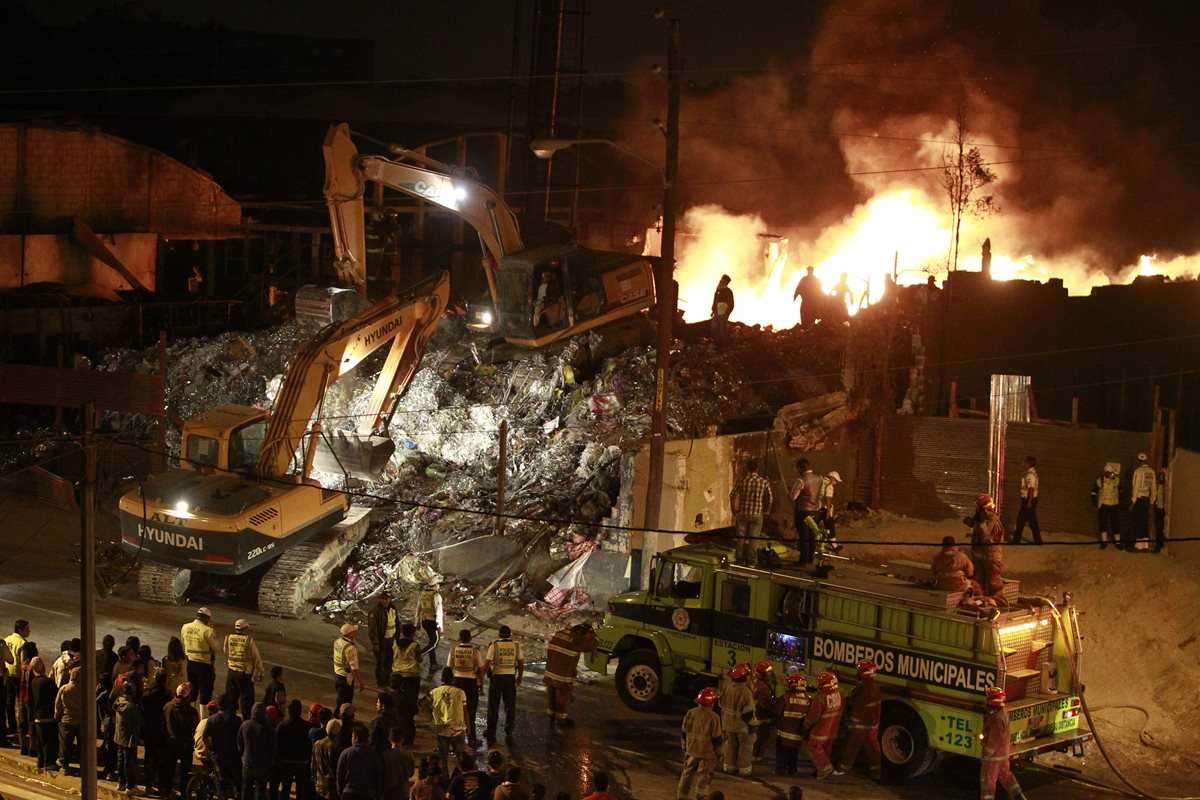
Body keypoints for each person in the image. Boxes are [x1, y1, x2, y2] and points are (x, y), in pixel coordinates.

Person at [543, 623, 598, 731]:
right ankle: (562, 720)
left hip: (550, 672)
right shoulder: (576, 640)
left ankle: (551, 716)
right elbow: (589, 646)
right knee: (563, 698)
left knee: (551, 695)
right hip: (563, 676)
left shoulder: (559, 634)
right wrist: (596, 638)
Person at [837, 660, 882, 780]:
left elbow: (859, 706)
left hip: (861, 724)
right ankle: (876, 771)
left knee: (851, 746)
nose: (857, 672)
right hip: (872, 724)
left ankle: (843, 769)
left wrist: (852, 722)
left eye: (859, 670)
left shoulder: (864, 687)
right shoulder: (874, 686)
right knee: (873, 748)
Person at [980, 687, 1027, 800]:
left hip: (993, 758)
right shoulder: (1002, 713)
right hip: (1003, 756)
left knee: (988, 781)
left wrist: (986, 755)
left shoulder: (996, 718)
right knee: (1006, 777)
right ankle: (1019, 797)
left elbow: (994, 740)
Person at [677, 687, 722, 800]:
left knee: (687, 774)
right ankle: (701, 797)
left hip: (691, 750)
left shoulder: (690, 713)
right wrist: (720, 753)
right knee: (704, 776)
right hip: (707, 754)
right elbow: (717, 738)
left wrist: (684, 745)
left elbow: (684, 731)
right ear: (712, 702)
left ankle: (681, 796)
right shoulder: (714, 717)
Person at [483, 625, 523, 746]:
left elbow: (487, 663)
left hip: (497, 679)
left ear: (499, 635)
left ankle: (491, 731)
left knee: (493, 706)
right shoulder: (516, 645)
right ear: (510, 635)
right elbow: (521, 663)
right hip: (510, 679)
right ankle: (509, 730)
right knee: (510, 705)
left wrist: (480, 677)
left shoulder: (494, 645)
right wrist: (520, 677)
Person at [730, 460, 773, 566]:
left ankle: (739, 560)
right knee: (753, 539)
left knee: (741, 538)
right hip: (757, 514)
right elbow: (770, 498)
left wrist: (733, 509)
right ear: (757, 469)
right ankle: (752, 561)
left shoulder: (742, 480)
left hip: (743, 513)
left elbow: (732, 495)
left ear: (747, 468)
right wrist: (767, 511)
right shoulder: (763, 482)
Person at [804, 670, 844, 780]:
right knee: (826, 751)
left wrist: (805, 725)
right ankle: (822, 772)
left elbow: (813, 716)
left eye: (820, 684)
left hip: (820, 731)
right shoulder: (840, 695)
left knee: (813, 747)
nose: (819, 686)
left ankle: (825, 768)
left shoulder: (820, 698)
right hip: (832, 730)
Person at [391, 623, 425, 746]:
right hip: (412, 677)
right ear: (413, 633)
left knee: (397, 705)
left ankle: (397, 734)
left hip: (397, 675)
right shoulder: (415, 645)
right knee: (410, 707)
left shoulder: (395, 643)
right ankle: (409, 737)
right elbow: (420, 659)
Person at [450, 629, 485, 746]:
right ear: (470, 638)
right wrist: (481, 684)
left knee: (456, 710)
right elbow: (481, 669)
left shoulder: (453, 650)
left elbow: (449, 668)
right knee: (471, 711)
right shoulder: (475, 652)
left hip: (457, 682)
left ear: (460, 639)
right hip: (471, 683)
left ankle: (454, 737)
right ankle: (471, 738)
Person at [225, 618, 265, 718]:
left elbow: (226, 651)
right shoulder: (248, 641)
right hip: (244, 674)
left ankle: (231, 719)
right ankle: (246, 721)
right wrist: (261, 672)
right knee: (247, 700)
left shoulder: (228, 638)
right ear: (246, 628)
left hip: (231, 672)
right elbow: (257, 658)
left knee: (231, 698)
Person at [720, 663, 755, 777]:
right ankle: (744, 770)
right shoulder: (746, 692)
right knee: (745, 747)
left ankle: (728, 767)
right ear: (745, 677)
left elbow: (721, 705)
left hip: (727, 724)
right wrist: (752, 726)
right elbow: (748, 712)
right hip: (741, 726)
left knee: (730, 745)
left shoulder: (727, 688)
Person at [164, 682, 200, 795]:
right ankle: (183, 790)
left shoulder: (167, 707)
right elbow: (196, 727)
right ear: (187, 696)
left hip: (170, 742)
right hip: (185, 745)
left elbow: (162, 724)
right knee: (185, 770)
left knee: (169, 768)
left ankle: (167, 789)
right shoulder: (191, 711)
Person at [140, 669, 172, 795]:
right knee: (162, 760)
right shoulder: (167, 695)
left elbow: (143, 713)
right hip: (162, 731)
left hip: (149, 730)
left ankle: (148, 784)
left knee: (149, 759)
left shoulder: (147, 695)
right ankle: (162, 786)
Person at [276, 699, 314, 800]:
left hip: (286, 762)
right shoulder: (308, 726)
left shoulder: (282, 726)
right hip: (302, 763)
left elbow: (277, 746)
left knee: (285, 789)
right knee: (301, 790)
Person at [969, 494, 1005, 598]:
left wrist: (980, 524)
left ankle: (999, 601)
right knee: (978, 581)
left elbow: (987, 537)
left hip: (991, 556)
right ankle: (981, 600)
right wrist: (973, 524)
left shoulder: (992, 518)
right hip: (980, 555)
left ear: (984, 506)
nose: (977, 508)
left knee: (994, 582)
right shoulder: (983, 518)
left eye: (978, 505)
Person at [238, 702, 276, 800]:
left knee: (246, 789)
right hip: (262, 765)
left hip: (247, 763)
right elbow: (272, 747)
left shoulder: (245, 725)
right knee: (260, 790)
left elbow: (240, 744)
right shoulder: (268, 728)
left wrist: (243, 755)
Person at [773, 673, 810, 775]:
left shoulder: (785, 698)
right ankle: (792, 770)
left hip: (784, 734)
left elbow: (776, 712)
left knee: (782, 753)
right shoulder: (808, 700)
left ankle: (780, 770)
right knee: (793, 753)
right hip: (797, 735)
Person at [182, 607, 219, 705]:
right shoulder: (208, 631)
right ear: (207, 618)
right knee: (205, 694)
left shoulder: (185, 627)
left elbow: (184, 642)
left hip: (190, 663)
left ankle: (191, 714)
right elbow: (216, 648)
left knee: (192, 691)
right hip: (204, 665)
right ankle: (203, 718)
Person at [790, 459, 823, 566]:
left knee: (804, 536)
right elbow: (820, 495)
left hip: (803, 512)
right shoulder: (819, 478)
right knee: (812, 535)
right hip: (816, 511)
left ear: (800, 468)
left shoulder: (801, 480)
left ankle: (803, 560)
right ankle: (810, 559)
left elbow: (793, 496)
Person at [113, 681, 144, 792]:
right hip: (130, 738)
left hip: (119, 736)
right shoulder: (131, 707)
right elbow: (141, 721)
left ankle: (121, 782)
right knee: (129, 763)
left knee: (121, 760)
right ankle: (130, 786)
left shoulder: (118, 702)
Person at [337, 724, 381, 800]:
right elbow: (377, 775)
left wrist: (341, 792)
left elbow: (339, 775)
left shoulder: (346, 753)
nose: (351, 739)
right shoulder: (373, 754)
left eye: (352, 736)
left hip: (349, 793)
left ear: (356, 738)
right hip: (367, 794)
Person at [3, 619, 29, 743]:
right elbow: (23, 660)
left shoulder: (7, 639)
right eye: (27, 629)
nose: (29, 631)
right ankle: (21, 726)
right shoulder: (22, 643)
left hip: (7, 674)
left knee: (9, 701)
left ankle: (12, 725)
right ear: (20, 630)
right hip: (18, 675)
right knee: (21, 702)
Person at [54, 666, 84, 775]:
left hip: (67, 719)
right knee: (83, 745)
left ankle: (65, 766)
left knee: (65, 745)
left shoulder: (64, 689)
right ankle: (83, 766)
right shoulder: (85, 689)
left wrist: (57, 718)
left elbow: (58, 706)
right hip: (81, 720)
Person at [30, 656, 58, 772]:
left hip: (37, 716)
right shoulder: (47, 682)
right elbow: (55, 695)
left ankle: (40, 763)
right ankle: (49, 763)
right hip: (48, 716)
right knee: (49, 742)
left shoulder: (33, 682)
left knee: (41, 743)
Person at [369, 591, 399, 689]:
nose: (385, 601)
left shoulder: (392, 608)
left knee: (389, 661)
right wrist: (375, 642)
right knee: (380, 661)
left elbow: (396, 622)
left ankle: (387, 680)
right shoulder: (375, 611)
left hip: (391, 639)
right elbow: (373, 629)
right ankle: (380, 682)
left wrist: (397, 636)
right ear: (379, 599)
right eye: (383, 599)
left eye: (387, 599)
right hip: (381, 640)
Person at [415, 582, 445, 676]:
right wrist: (439, 625)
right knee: (434, 643)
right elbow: (438, 611)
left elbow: (418, 609)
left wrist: (417, 622)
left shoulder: (423, 594)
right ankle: (420, 654)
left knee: (431, 642)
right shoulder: (436, 595)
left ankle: (433, 663)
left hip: (425, 621)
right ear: (435, 585)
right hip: (433, 622)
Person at [333, 624, 364, 712]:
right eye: (354, 631)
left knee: (341, 700)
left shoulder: (337, 641)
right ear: (350, 634)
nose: (356, 632)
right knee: (344, 703)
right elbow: (355, 667)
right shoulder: (350, 648)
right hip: (345, 678)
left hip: (337, 675)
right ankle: (337, 719)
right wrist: (360, 681)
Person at [379, 725, 415, 800]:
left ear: (389, 739)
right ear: (402, 739)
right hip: (403, 791)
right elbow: (411, 773)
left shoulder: (384, 755)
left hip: (387, 792)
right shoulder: (409, 755)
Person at [1012, 456, 1042, 545]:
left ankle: (1016, 541)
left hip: (1029, 500)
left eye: (1024, 462)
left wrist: (1029, 502)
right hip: (1030, 500)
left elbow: (1031, 489)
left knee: (1021, 520)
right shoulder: (1030, 474)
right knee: (1032, 521)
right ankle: (1038, 541)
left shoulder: (1030, 475)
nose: (1023, 464)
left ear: (1028, 463)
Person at [311, 719, 343, 800]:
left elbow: (313, 765)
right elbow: (337, 770)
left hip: (319, 785)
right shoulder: (336, 747)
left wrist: (315, 780)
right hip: (331, 788)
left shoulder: (317, 744)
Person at [751, 660, 776, 761]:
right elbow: (766, 704)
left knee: (756, 736)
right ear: (762, 674)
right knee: (761, 737)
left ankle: (754, 755)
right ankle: (756, 756)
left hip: (754, 714)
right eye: (768, 672)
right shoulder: (763, 687)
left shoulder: (754, 682)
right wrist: (774, 710)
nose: (770, 674)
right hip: (762, 716)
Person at [1130, 452, 1156, 551]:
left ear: (1138, 461)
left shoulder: (1138, 471)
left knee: (1138, 521)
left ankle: (1138, 545)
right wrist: (1152, 500)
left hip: (1139, 500)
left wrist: (1133, 501)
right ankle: (1145, 544)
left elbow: (1135, 487)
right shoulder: (1151, 472)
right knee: (1145, 521)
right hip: (1147, 500)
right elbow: (1153, 488)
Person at [1093, 463, 1121, 550]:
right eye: (1109, 473)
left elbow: (1122, 490)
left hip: (1114, 504)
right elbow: (1093, 492)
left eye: (1112, 473)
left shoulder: (1116, 480)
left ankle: (1118, 542)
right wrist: (1095, 504)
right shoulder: (1100, 481)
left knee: (1115, 523)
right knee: (1103, 523)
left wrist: (1121, 501)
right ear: (1105, 472)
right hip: (1103, 504)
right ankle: (1104, 542)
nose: (1111, 474)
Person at [818, 471, 842, 549]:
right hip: (824, 509)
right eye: (835, 480)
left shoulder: (821, 482)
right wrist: (828, 511)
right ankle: (833, 545)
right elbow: (828, 498)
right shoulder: (829, 486)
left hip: (817, 508)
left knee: (814, 526)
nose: (835, 483)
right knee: (830, 526)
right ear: (831, 478)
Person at [711, 274, 734, 347]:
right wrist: (713, 310)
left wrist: (727, 313)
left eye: (722, 280)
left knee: (722, 330)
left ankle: (724, 345)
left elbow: (731, 304)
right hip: (717, 312)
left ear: (725, 282)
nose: (720, 281)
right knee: (714, 328)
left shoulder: (728, 291)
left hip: (723, 313)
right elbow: (715, 301)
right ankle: (717, 343)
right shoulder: (718, 290)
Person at [1155, 468, 1168, 553]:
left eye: (1162, 477)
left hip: (1162, 509)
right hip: (1158, 508)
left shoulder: (1165, 488)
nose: (1161, 479)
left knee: (1161, 528)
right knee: (1158, 527)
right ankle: (1158, 545)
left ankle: (1160, 545)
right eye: (1160, 477)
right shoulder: (1158, 486)